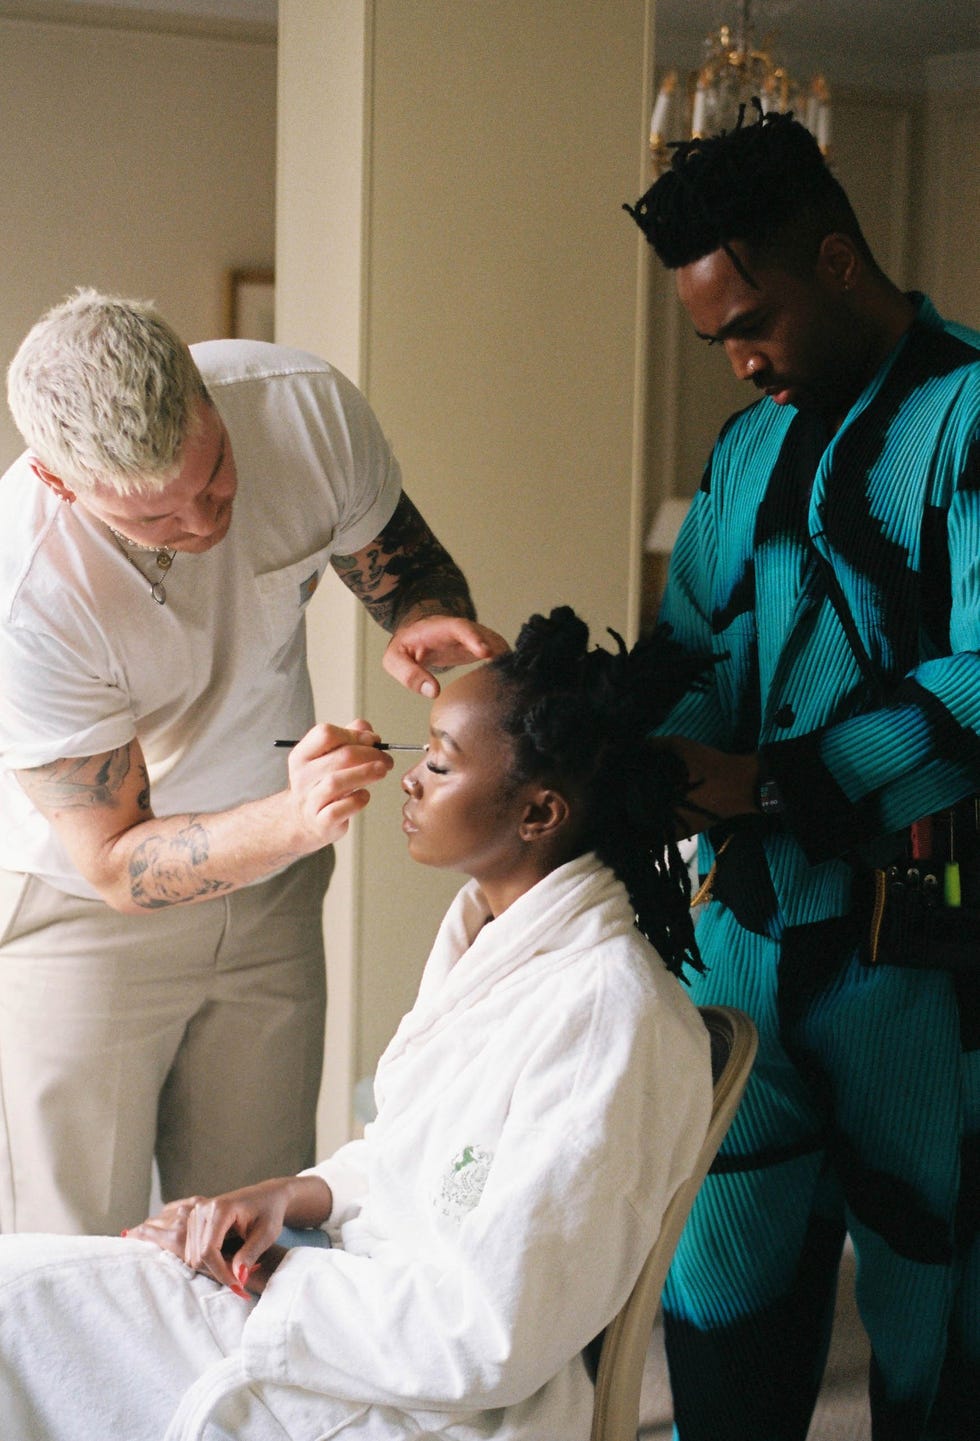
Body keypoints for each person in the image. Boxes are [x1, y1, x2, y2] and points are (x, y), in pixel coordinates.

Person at [0, 605, 713, 1441]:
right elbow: (428, 1158)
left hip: (425, 1396)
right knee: (22, 1287)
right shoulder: (491, 940)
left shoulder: (607, 1017)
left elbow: (493, 1333)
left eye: (440, 764)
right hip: (353, 1312)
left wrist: (276, 1273)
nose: (409, 778)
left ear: (539, 813)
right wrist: (287, 1195)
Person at [0, 288, 507, 1237]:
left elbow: (408, 567)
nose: (205, 522)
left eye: (217, 473)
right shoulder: (25, 590)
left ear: (204, 389)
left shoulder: (303, 408)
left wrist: (422, 614)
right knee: (70, 1252)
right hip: (83, 917)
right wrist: (292, 816)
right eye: (159, 519)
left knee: (250, 1227)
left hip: (272, 895)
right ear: (67, 486)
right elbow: (113, 859)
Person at [624, 104, 980, 1440]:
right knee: (720, 1304)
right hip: (745, 955)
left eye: (749, 323)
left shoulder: (971, 413)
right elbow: (692, 651)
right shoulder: (747, 448)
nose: (738, 361)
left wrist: (767, 783)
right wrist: (590, 725)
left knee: (933, 1334)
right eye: (713, 337)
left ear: (836, 262)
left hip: (929, 966)